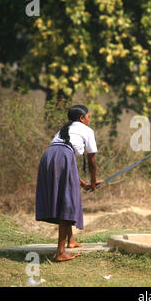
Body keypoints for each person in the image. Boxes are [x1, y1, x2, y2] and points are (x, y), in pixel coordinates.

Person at [36, 105, 102, 261]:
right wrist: (93, 182)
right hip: (63, 156)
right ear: (81, 118)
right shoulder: (87, 131)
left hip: (48, 156)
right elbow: (92, 162)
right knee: (67, 201)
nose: (89, 120)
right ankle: (60, 252)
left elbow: (67, 167)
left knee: (66, 196)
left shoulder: (64, 129)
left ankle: (71, 241)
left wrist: (82, 183)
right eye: (89, 117)